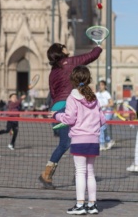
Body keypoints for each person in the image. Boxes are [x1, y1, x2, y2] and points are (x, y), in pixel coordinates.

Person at [38, 43, 102, 190]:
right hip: (68, 106)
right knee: (67, 142)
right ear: (61, 52)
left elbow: (53, 93)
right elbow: (91, 56)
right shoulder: (70, 63)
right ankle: (47, 174)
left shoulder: (53, 71)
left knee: (72, 141)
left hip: (57, 106)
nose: (66, 47)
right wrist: (98, 46)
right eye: (63, 46)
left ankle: (76, 174)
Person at [52, 65, 105, 215]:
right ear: (88, 79)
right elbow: (102, 119)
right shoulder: (93, 97)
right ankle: (92, 205)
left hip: (79, 139)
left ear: (73, 80)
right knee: (90, 172)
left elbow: (69, 119)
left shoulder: (72, 97)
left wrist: (56, 115)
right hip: (93, 139)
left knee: (80, 172)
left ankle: (80, 205)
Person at [96, 80, 115, 151]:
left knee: (102, 128)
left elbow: (111, 103)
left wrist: (104, 105)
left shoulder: (107, 94)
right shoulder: (97, 94)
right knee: (102, 129)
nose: (100, 86)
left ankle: (102, 144)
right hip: (100, 113)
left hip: (108, 112)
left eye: (102, 85)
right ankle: (109, 141)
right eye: (99, 85)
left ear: (105, 86)